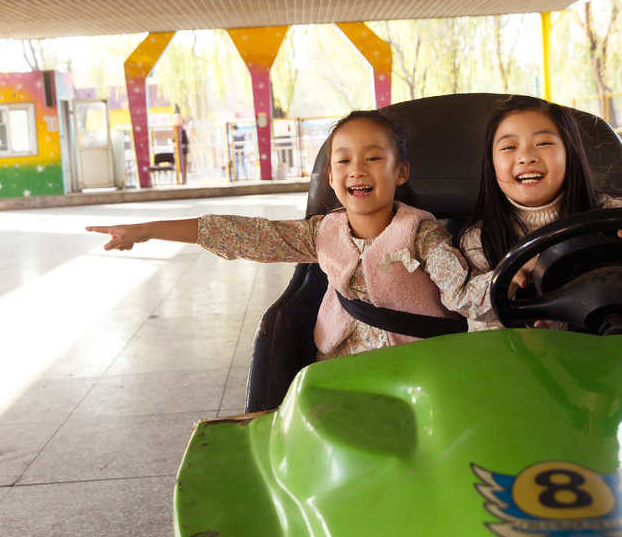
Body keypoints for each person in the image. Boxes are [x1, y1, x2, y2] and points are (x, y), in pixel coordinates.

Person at [86, 110, 492, 360]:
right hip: (340, 365)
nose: (358, 169)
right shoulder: (322, 233)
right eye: (344, 160)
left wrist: (513, 288)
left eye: (373, 158)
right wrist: (148, 231)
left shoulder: (424, 235)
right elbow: (243, 234)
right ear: (331, 177)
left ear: (400, 172)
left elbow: (461, 292)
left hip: (420, 362)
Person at [458, 95, 622, 332]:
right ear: (491, 163)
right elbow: (480, 322)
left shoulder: (612, 215)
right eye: (509, 147)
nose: (526, 157)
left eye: (543, 143)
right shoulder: (480, 240)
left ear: (570, 154)